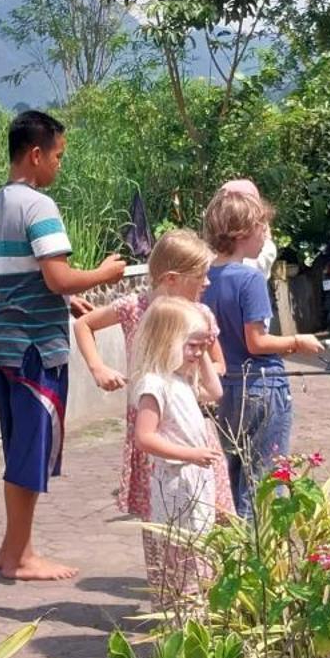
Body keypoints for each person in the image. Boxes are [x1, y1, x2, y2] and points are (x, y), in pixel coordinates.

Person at [0, 108, 126, 581]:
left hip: (2, 343)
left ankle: (12, 549)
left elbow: (27, 278)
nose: (60, 166)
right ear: (37, 154)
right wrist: (104, 274)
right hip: (34, 350)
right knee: (31, 449)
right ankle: (22, 557)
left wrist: (69, 298)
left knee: (19, 447)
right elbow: (56, 273)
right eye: (59, 156)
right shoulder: (39, 206)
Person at [73, 225, 235, 539]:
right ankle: (165, 573)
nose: (207, 282)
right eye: (199, 275)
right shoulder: (133, 307)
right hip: (150, 420)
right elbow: (83, 324)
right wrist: (98, 368)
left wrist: (192, 383)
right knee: (157, 509)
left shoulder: (199, 314)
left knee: (211, 506)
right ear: (171, 278)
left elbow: (219, 364)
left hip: (187, 424)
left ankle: (207, 573)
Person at [203, 189, 321, 517]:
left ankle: (237, 554)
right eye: (261, 228)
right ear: (241, 233)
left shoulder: (204, 279)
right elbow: (257, 342)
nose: (265, 235)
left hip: (224, 389)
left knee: (234, 475)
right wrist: (298, 342)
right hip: (262, 388)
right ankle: (260, 560)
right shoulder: (251, 279)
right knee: (265, 484)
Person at [128, 295, 222, 610]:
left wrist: (205, 352)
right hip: (175, 483)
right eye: (191, 346)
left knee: (200, 557)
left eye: (200, 345)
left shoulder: (181, 379)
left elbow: (215, 392)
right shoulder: (155, 385)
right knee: (183, 563)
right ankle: (182, 625)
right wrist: (189, 454)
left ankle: (194, 621)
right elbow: (144, 438)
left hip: (195, 480)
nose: (197, 353)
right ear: (168, 342)